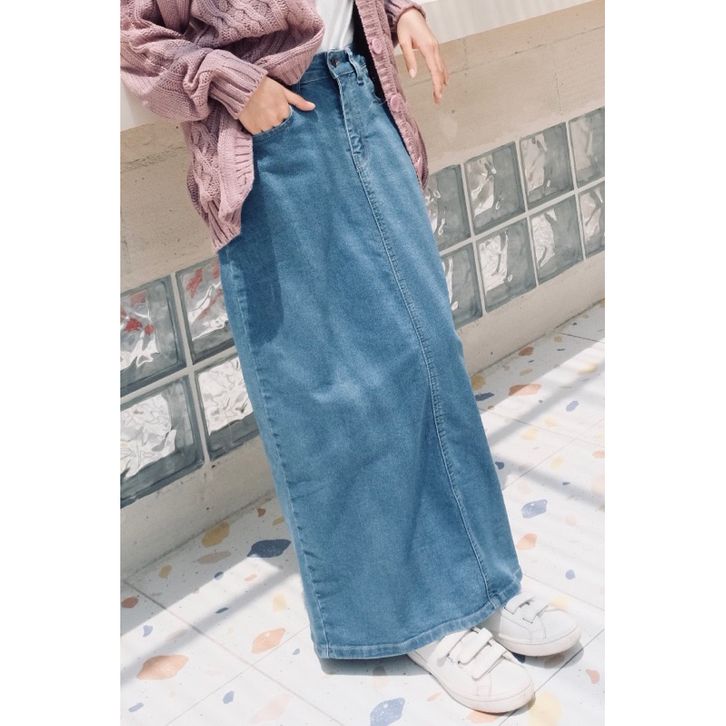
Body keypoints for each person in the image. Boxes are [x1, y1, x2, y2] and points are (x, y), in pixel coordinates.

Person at [120, 0, 580, 714]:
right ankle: (415, 613)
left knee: (428, 353)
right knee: (338, 386)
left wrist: (400, 12)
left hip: (363, 91)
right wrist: (234, 84)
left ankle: (482, 583)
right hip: (271, 126)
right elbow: (135, 37)